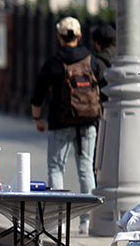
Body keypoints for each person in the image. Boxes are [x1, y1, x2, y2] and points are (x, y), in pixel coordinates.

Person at [30, 17, 107, 232]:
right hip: (88, 122)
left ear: (59, 36)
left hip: (60, 121)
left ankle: (58, 223)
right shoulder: (92, 61)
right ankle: (88, 221)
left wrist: (38, 118)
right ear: (79, 36)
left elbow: (38, 94)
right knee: (86, 169)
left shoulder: (54, 63)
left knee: (56, 167)